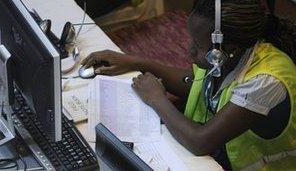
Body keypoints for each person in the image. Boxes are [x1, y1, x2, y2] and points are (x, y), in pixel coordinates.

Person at [82, 0, 296, 170]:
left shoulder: (267, 82)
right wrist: (135, 61)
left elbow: (199, 141)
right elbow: (197, 85)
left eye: (198, 45)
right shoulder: (225, 55)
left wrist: (156, 98)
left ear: (226, 48)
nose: (189, 50)